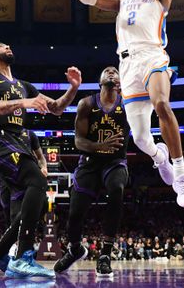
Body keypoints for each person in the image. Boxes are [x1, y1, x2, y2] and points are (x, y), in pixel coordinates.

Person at [43, 0, 184, 209]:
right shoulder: (124, 0)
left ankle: (181, 174)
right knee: (140, 138)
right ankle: (159, 156)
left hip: (153, 56)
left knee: (162, 105)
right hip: (127, 67)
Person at [0, 42, 81, 278]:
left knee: (40, 201)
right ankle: (23, 256)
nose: (9, 47)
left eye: (10, 45)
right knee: (37, 181)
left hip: (15, 142)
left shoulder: (24, 85)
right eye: (3, 46)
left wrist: (73, 89)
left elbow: (55, 108)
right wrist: (25, 103)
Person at [54, 67, 129, 277]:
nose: (111, 73)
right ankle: (75, 249)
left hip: (115, 162)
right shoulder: (86, 104)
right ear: (99, 80)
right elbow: (78, 140)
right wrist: (99, 146)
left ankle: (105, 253)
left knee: (116, 189)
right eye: (106, 71)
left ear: (121, 82)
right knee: (75, 212)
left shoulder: (127, 104)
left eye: (115, 71)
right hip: (90, 162)